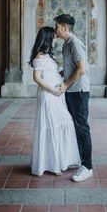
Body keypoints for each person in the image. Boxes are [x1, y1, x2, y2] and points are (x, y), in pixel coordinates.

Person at [29, 26, 80, 176]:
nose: (55, 40)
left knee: (62, 124)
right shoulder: (39, 57)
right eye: (53, 37)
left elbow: (52, 73)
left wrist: (67, 73)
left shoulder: (47, 57)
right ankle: (53, 164)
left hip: (56, 96)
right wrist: (52, 89)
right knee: (52, 127)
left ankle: (58, 161)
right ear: (47, 39)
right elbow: (36, 78)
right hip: (48, 95)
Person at [54, 14, 93, 182]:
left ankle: (88, 167)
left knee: (82, 128)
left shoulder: (75, 43)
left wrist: (65, 85)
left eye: (56, 26)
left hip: (79, 91)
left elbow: (81, 69)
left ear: (65, 28)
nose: (55, 28)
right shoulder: (66, 44)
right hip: (72, 91)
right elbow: (70, 68)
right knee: (75, 127)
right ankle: (80, 160)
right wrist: (55, 75)